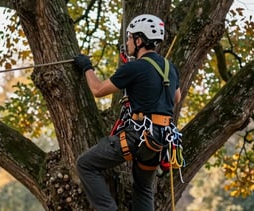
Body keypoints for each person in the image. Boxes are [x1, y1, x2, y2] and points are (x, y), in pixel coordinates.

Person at [74, 14, 181, 211]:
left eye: (130, 37)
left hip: (138, 136)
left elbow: (98, 90)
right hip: (160, 140)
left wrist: (86, 67)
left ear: (139, 40)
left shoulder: (135, 67)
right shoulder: (170, 68)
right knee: (143, 188)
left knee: (85, 164)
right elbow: (176, 98)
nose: (128, 42)